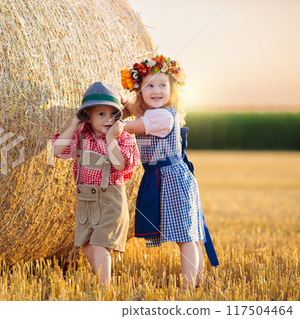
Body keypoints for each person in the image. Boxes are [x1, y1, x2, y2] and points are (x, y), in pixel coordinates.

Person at [120, 55, 218, 289]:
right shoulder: (158, 112)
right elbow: (135, 110)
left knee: (185, 238)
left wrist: (105, 119)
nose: (156, 90)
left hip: (171, 179)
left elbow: (127, 126)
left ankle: (187, 290)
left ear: (172, 89)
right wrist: (124, 102)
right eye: (149, 86)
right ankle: (195, 284)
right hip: (172, 177)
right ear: (140, 91)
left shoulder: (160, 116)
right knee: (189, 236)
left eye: (162, 85)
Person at [51, 82, 139, 286]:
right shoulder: (81, 137)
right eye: (101, 114)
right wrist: (72, 128)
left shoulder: (122, 138)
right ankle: (104, 279)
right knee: (88, 246)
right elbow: (56, 151)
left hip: (110, 203)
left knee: (100, 246)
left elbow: (120, 165)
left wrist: (111, 139)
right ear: (87, 116)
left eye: (112, 114)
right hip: (86, 203)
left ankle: (104, 290)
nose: (108, 119)